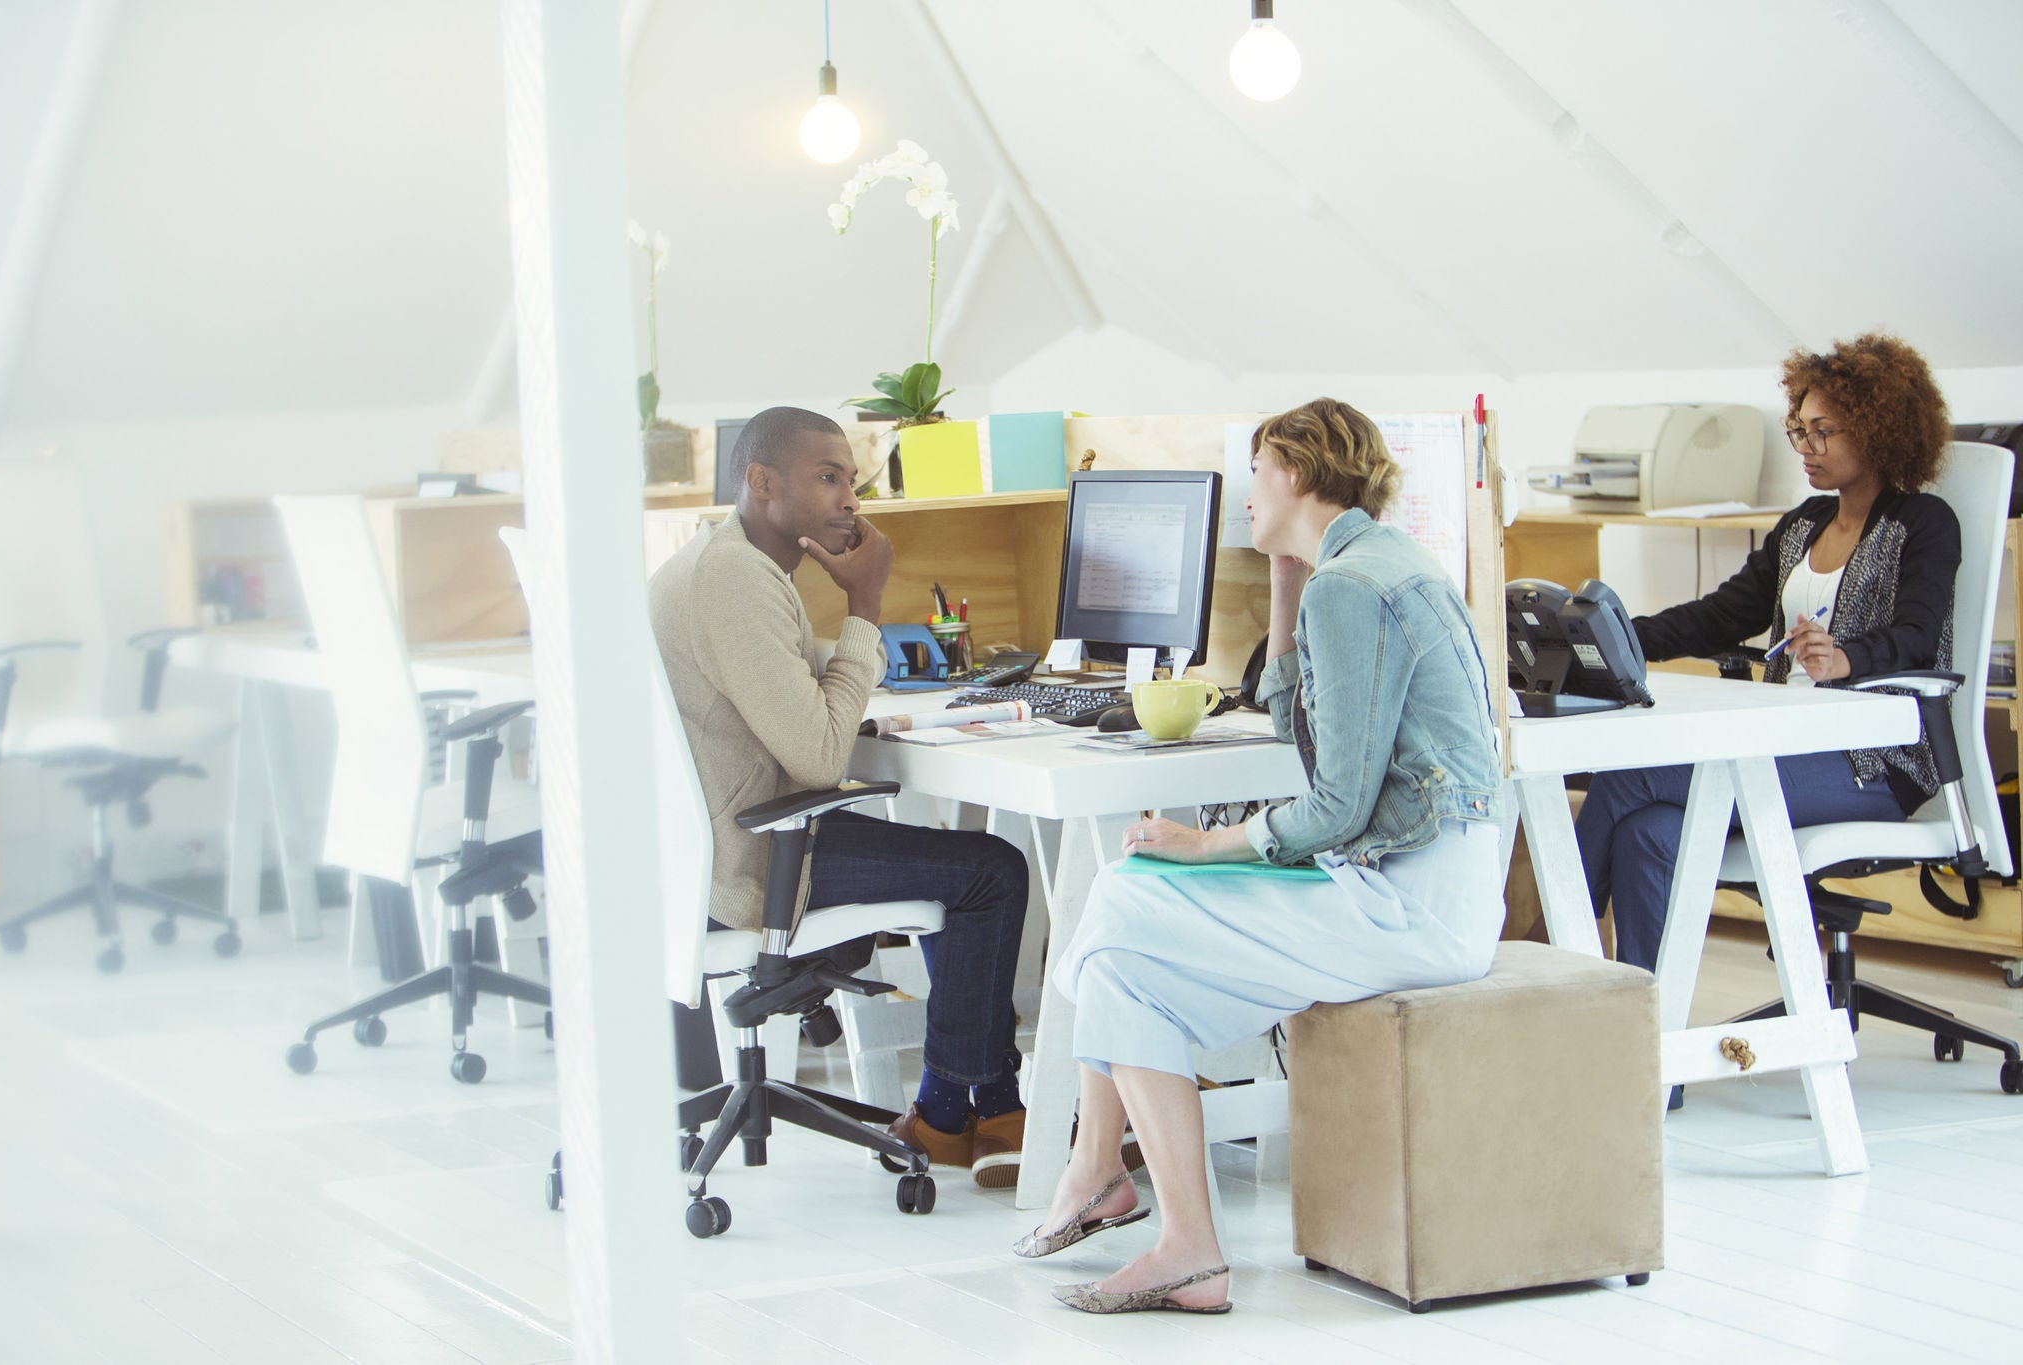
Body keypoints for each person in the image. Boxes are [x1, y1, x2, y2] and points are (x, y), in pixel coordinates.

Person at [1016, 398, 1506, 1315]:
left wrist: (1203, 844)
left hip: (1414, 901)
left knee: (1125, 893)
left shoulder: (1356, 586)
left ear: (1304, 471)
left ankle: (1094, 1169)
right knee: (1122, 968)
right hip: (1395, 882)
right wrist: (1286, 581)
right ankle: (1186, 1247)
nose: (1247, 489)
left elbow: (1335, 803)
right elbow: (1305, 729)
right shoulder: (1352, 570)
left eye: (1261, 468)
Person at [648, 406, 1033, 1186]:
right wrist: (865, 605)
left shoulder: (726, 562)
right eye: (827, 478)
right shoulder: (733, 578)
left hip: (709, 849)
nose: (849, 500)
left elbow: (778, 672)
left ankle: (988, 1107)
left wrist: (848, 662)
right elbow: (822, 758)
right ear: (761, 481)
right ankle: (957, 1108)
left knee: (964, 863)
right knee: (991, 870)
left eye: (851, 482)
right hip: (755, 860)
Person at [1575, 332, 1958, 972]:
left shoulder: (1923, 524)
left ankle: (1541, 953)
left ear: (1878, 429)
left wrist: (1845, 659)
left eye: (1824, 432)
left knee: (1627, 775)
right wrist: (1614, 636)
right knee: (1650, 834)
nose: (1807, 448)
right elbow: (1722, 615)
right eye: (1799, 431)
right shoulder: (1804, 522)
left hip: (1872, 762)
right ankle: (1645, 1047)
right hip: (1781, 741)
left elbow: (1921, 635)